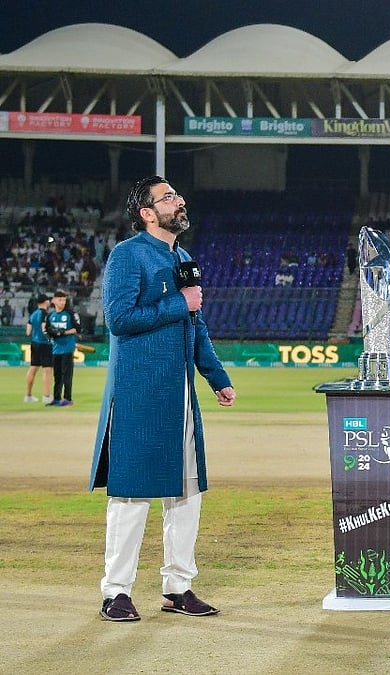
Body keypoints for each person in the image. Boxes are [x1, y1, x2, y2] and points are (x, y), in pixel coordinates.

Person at [88, 175, 236, 622]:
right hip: (137, 396)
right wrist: (182, 303)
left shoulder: (184, 257)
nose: (179, 200)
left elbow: (197, 326)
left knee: (188, 493)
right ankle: (115, 592)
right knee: (131, 496)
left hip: (181, 398)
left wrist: (216, 375)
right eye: (168, 197)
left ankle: (178, 587)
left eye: (177, 194)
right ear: (147, 213)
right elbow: (118, 319)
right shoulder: (127, 255)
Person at [43, 289, 80, 407]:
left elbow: (77, 329)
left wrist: (63, 332)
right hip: (56, 349)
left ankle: (68, 399)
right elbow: (47, 330)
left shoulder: (70, 313)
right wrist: (51, 334)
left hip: (67, 348)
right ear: (54, 300)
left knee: (66, 374)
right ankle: (57, 398)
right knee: (57, 375)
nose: (62, 302)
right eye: (60, 300)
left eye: (64, 300)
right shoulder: (50, 315)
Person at [24, 294, 53, 403]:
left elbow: (28, 332)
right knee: (47, 370)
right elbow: (44, 329)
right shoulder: (44, 314)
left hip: (34, 343)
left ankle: (28, 395)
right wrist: (51, 338)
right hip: (45, 344)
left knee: (33, 368)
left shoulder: (33, 314)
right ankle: (46, 396)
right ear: (46, 302)